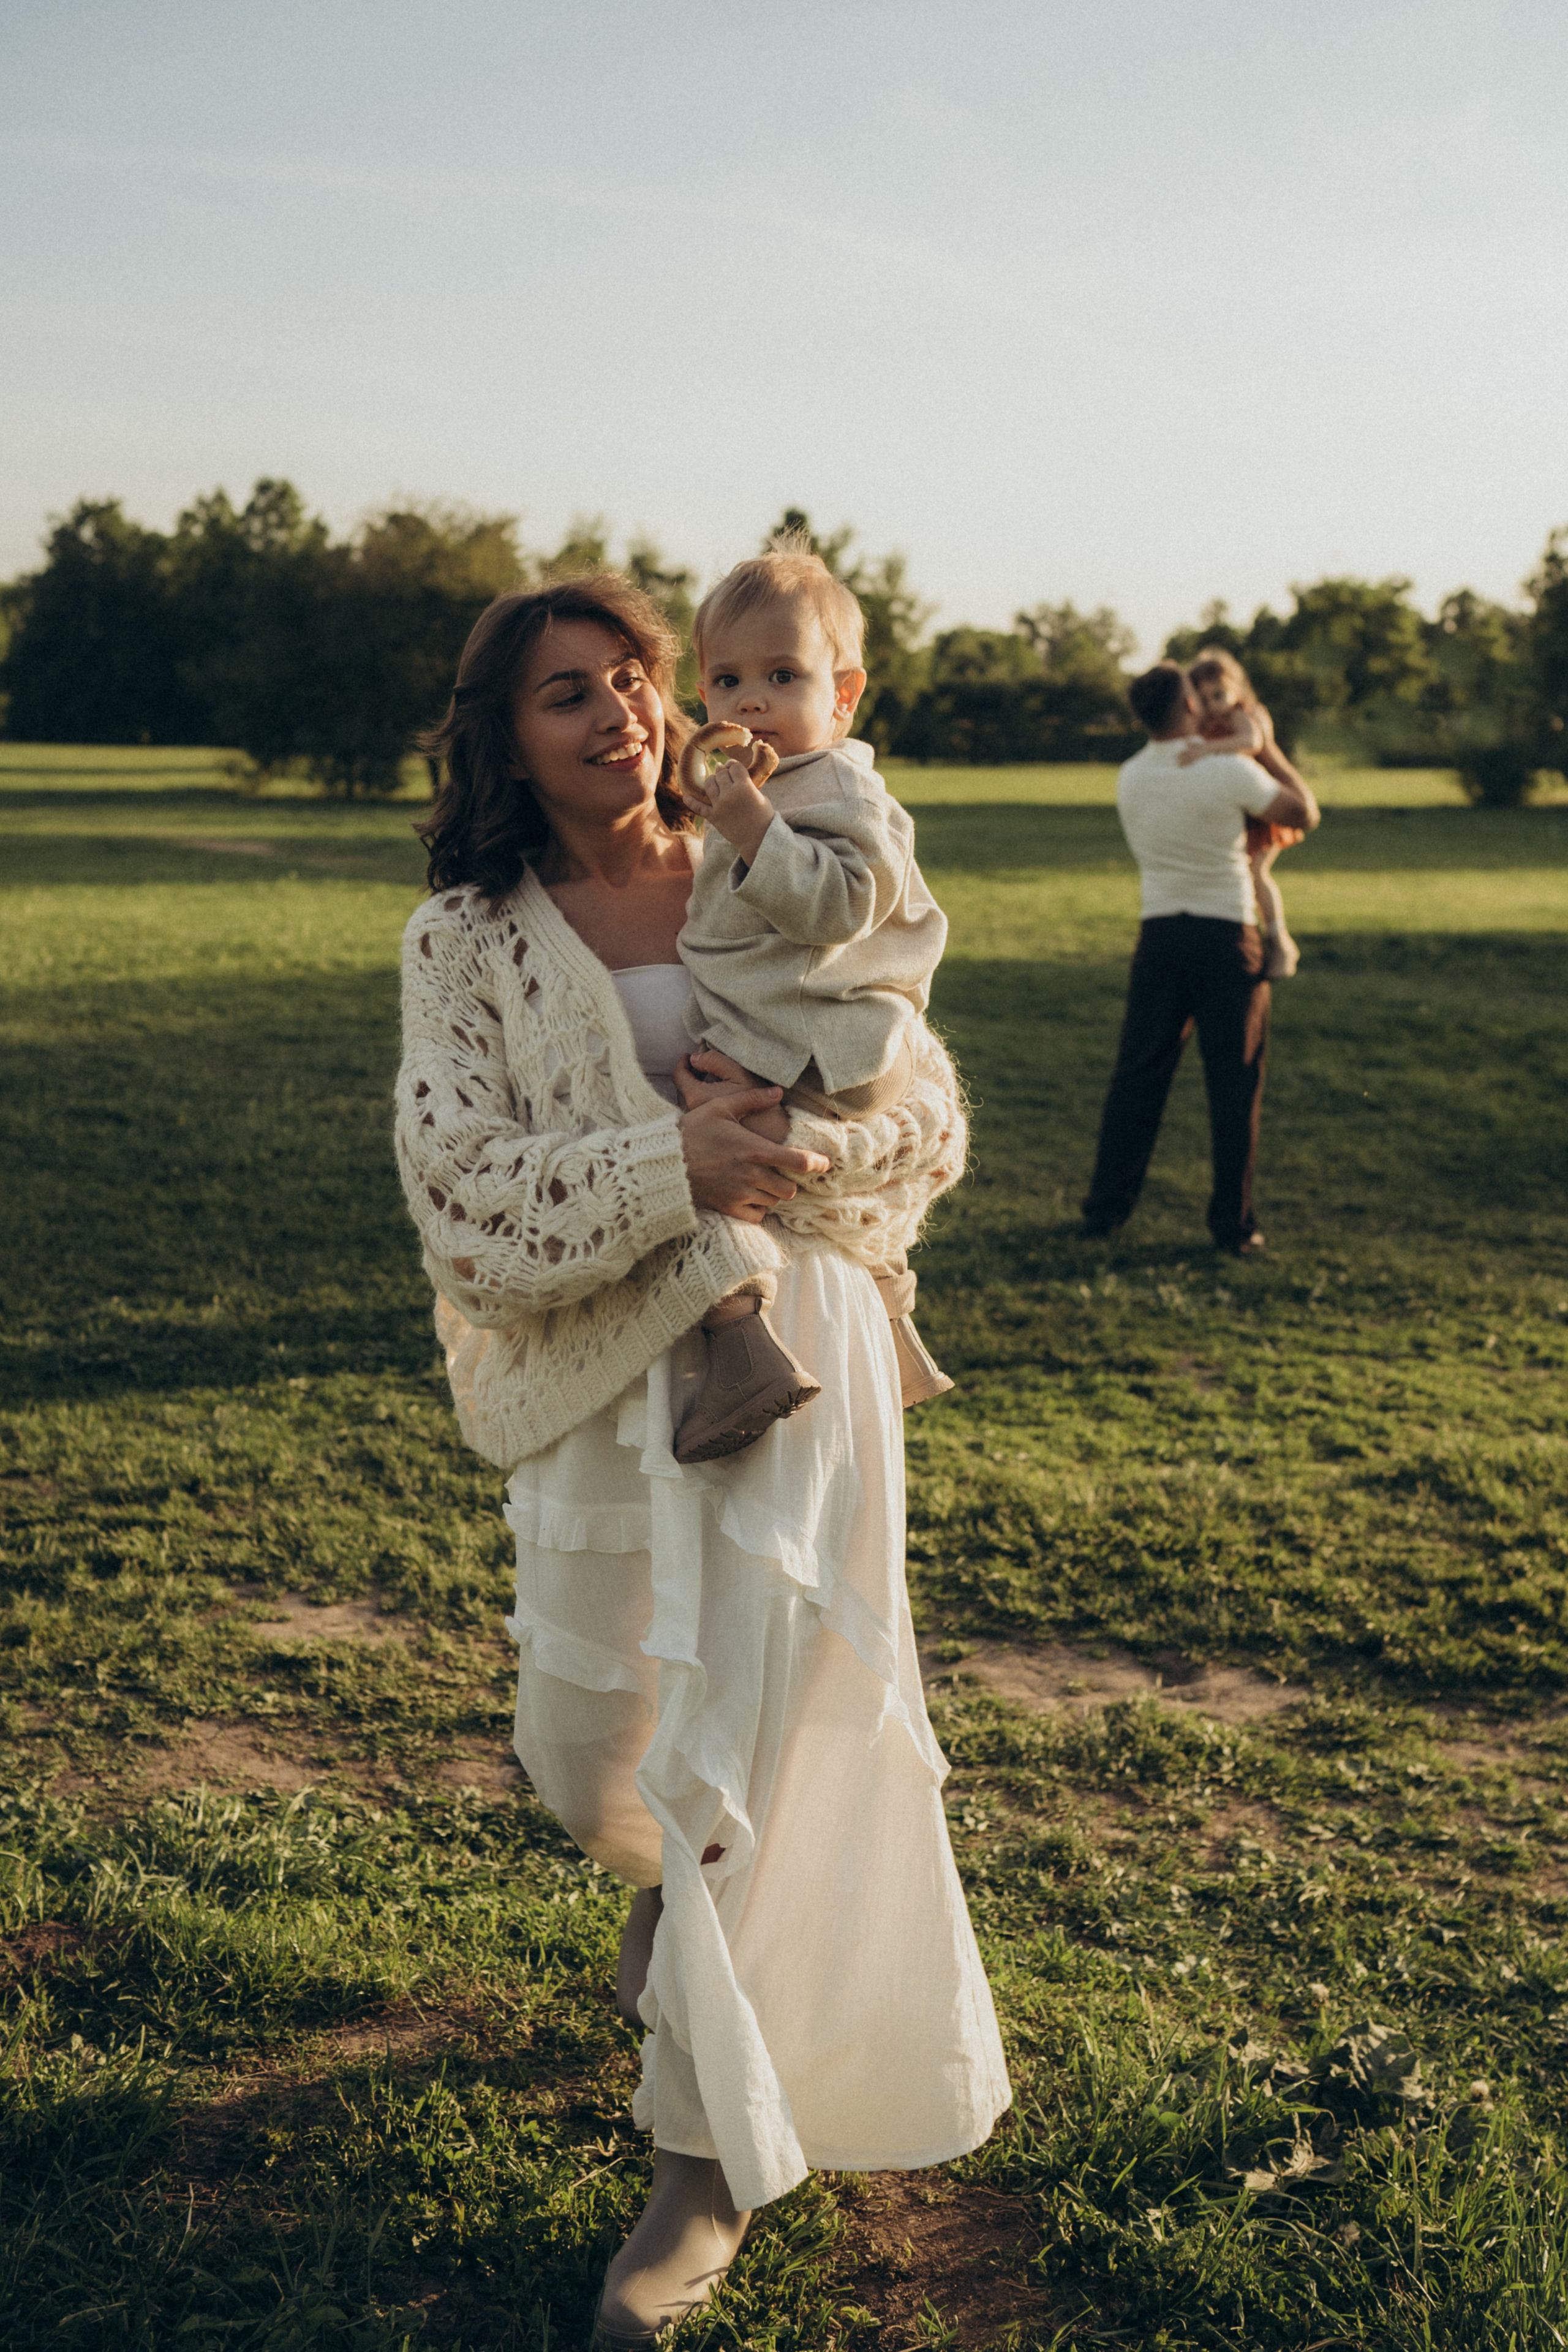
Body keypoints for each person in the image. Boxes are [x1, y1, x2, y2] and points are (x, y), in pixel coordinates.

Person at [396, 575, 1010, 2348]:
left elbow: (927, 1113)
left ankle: (703, 2168)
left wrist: (784, 1150)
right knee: (591, 1749)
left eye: (633, 676)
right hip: (604, 1366)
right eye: (565, 693)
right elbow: (462, 1193)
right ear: (506, 738)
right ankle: (669, 1907)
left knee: (761, 1737)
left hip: (796, 1352)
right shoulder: (467, 938)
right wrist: (677, 1168)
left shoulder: (781, 851)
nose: (618, 713)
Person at [671, 540, 953, 1464]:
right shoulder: (771, 783)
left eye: (782, 675)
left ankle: (740, 1350)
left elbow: (840, 904)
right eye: (727, 681)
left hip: (808, 1042)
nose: (751, 701)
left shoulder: (838, 788)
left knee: (701, 1160)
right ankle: (894, 1325)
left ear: (843, 695)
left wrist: (751, 824)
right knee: (745, 1165)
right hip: (803, 1031)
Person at [1080, 660, 1319, 1255]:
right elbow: (1303, 813)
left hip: (1158, 935)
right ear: (1188, 705)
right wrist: (1267, 748)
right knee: (1234, 1082)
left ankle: (1105, 1211)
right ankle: (1232, 1227)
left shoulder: (1130, 776)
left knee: (1138, 1077)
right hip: (1227, 938)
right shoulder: (1228, 769)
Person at [1180, 646, 1309, 979]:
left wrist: (1208, 749)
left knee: (1256, 873)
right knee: (1241, 878)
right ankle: (1255, 940)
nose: (1213, 704)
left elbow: (1252, 741)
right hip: (1240, 811)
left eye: (1219, 695)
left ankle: (1280, 940)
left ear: (1236, 689)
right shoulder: (1207, 723)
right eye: (1204, 698)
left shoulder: (1241, 714)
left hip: (1261, 812)